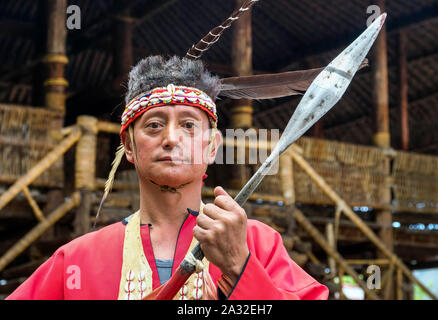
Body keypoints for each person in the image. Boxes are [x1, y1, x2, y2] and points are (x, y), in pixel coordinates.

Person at [7, 56, 329, 300]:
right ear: (129, 146)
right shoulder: (75, 260)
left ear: (213, 146)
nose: (171, 138)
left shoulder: (258, 243)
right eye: (154, 125)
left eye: (189, 125)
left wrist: (239, 266)